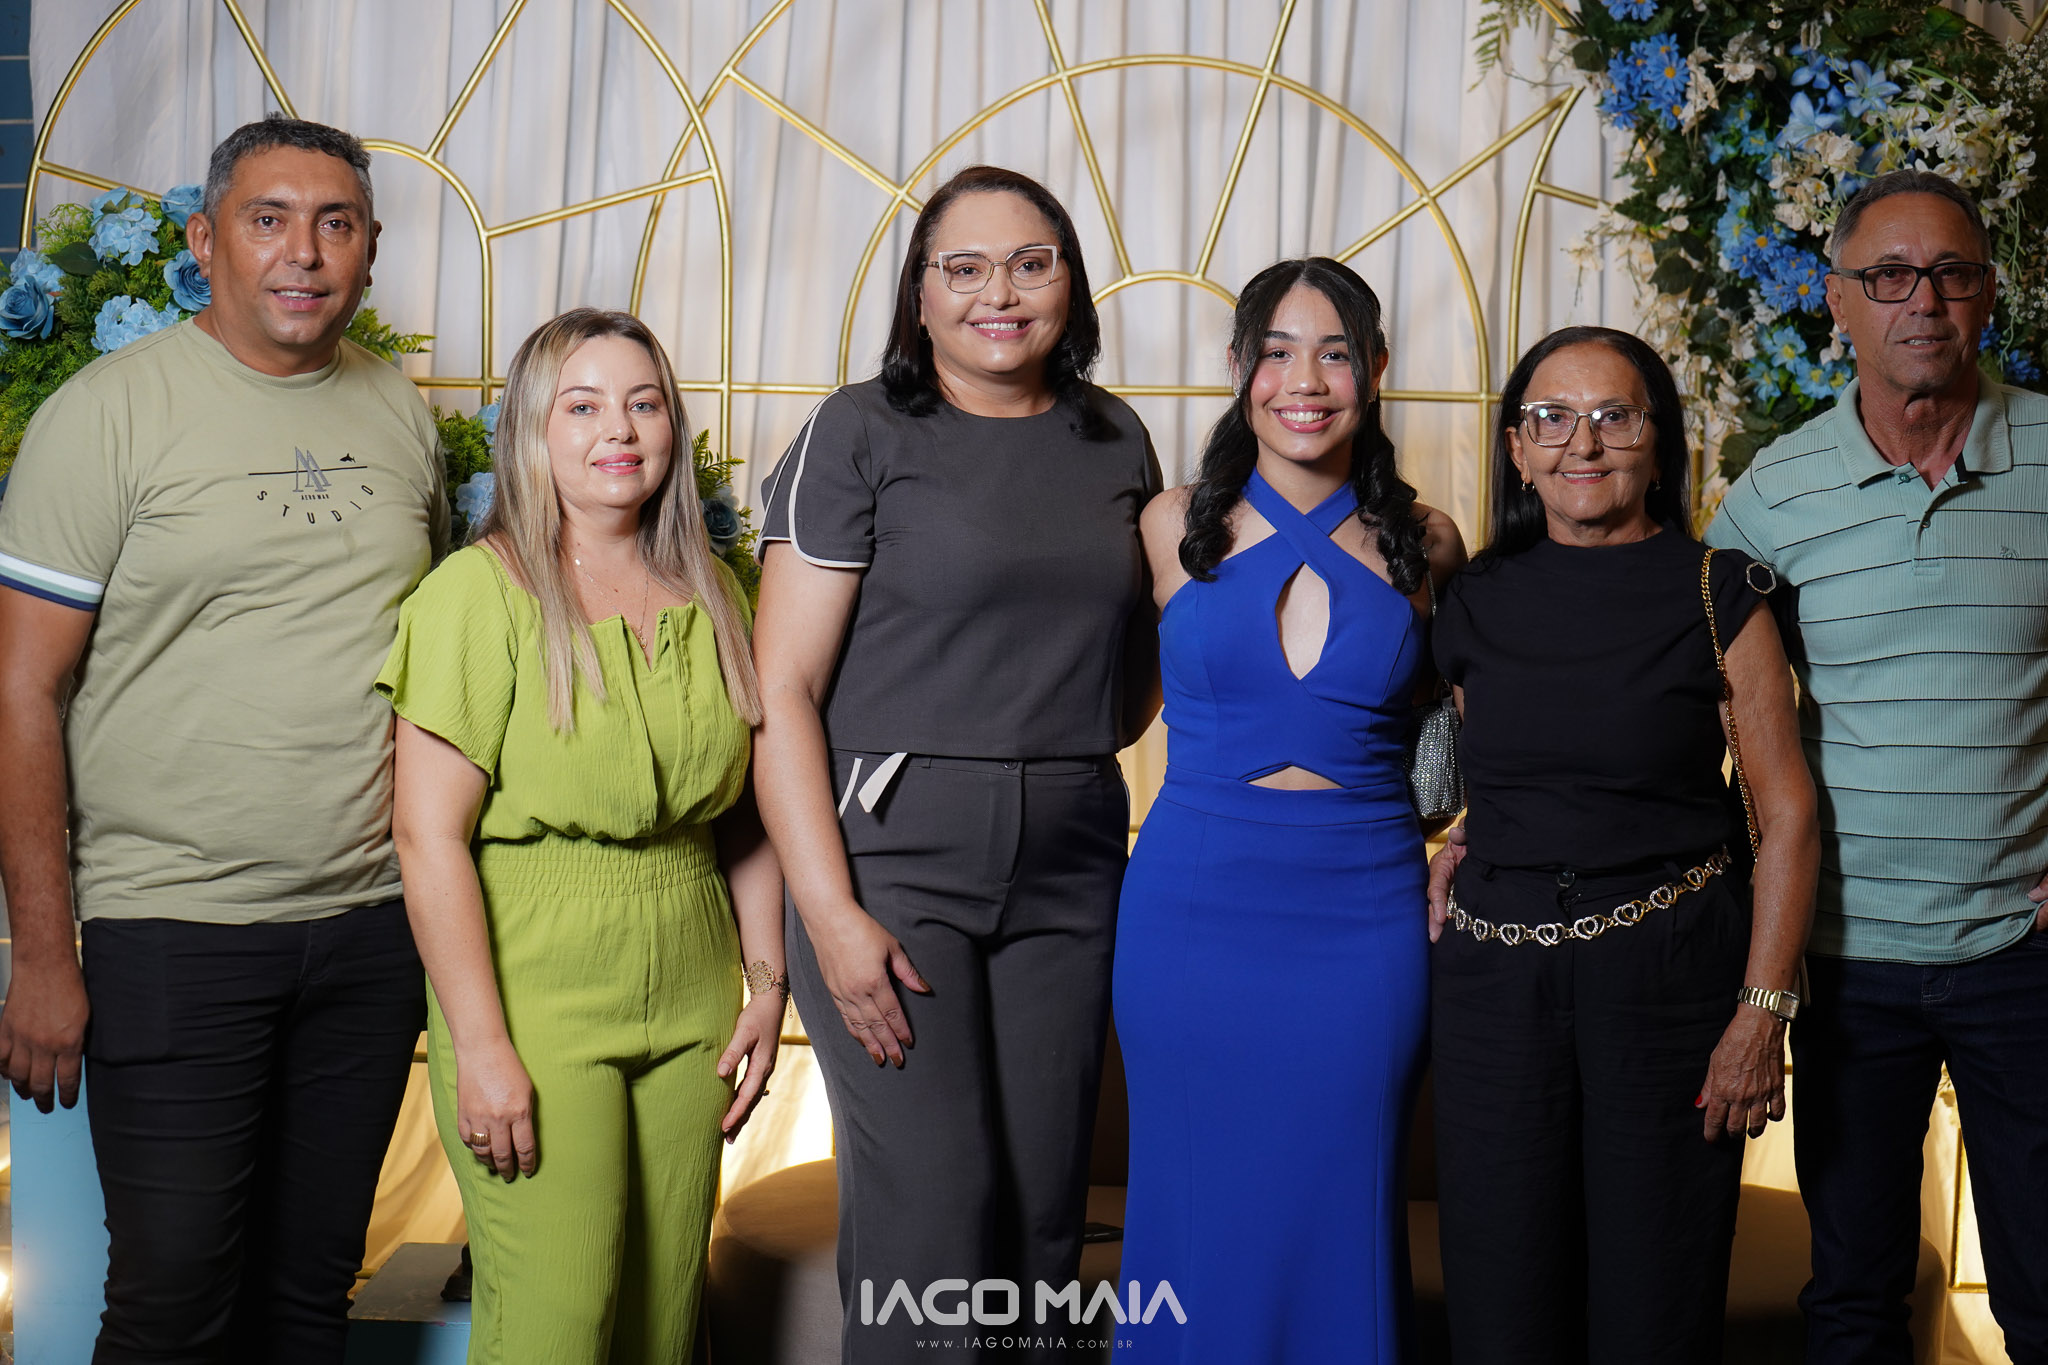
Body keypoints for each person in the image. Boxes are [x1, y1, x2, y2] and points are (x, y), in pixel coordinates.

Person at [0, 116, 445, 1362]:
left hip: (369, 931)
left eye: (335, 223)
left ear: (368, 249)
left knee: (308, 1299)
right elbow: (20, 691)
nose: (303, 252)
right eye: (268, 220)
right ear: (204, 242)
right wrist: (43, 955)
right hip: (172, 928)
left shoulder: (397, 411)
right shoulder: (105, 417)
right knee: (172, 1308)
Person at [751, 164, 1160, 1364]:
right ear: (919, 295)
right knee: (933, 1213)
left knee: (1041, 1219)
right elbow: (781, 694)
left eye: (1031, 264)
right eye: (964, 268)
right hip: (892, 862)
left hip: (1073, 854)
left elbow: (1137, 661)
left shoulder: (1113, 436)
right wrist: (828, 917)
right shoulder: (858, 431)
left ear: (1069, 284)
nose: (999, 294)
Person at [376, 308, 782, 1364]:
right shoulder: (476, 595)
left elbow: (743, 815)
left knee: (664, 1324)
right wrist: (482, 1047)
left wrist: (766, 983)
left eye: (644, 404)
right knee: (555, 1324)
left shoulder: (715, 592)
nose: (620, 430)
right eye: (584, 405)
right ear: (533, 431)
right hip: (535, 987)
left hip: (692, 981)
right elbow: (425, 838)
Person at [1707, 169, 2048, 1364]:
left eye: (1950, 274)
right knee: (1850, 1300)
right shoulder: (1770, 498)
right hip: (1846, 961)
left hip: (2023, 954)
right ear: (1835, 301)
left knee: (2042, 1300)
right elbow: (1687, 709)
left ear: (1987, 295)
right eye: (1888, 276)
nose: (1922, 302)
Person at [1425, 325, 1817, 1365]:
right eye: (1551, 418)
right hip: (1492, 987)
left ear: (1658, 440)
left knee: (1654, 1308)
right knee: (1499, 1306)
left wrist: (1762, 1009)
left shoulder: (1719, 590)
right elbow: (1486, 772)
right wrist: (1458, 835)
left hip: (1669, 980)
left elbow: (1785, 812)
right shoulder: (1472, 597)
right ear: (1516, 450)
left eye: (1614, 416)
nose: (1582, 443)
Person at [1114, 257, 1464, 1362]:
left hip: (1363, 919)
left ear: (1376, 369)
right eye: (1275, 352)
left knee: (1341, 1208)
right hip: (1191, 913)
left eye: (1333, 352)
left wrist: (1467, 836)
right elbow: (1092, 697)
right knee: (1190, 1209)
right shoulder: (1168, 523)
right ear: (1237, 368)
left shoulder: (1430, 540)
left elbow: (1486, 728)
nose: (1303, 380)